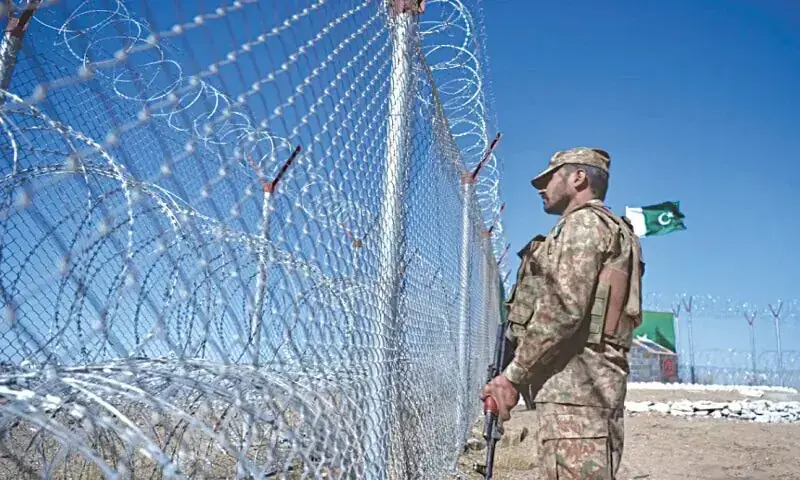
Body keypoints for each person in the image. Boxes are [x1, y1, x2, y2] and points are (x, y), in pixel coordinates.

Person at [480, 147, 644, 479]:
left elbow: (563, 309)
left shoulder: (584, 224)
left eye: (549, 177)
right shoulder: (607, 227)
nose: (541, 188)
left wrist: (512, 376)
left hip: (578, 387)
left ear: (578, 178)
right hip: (587, 387)